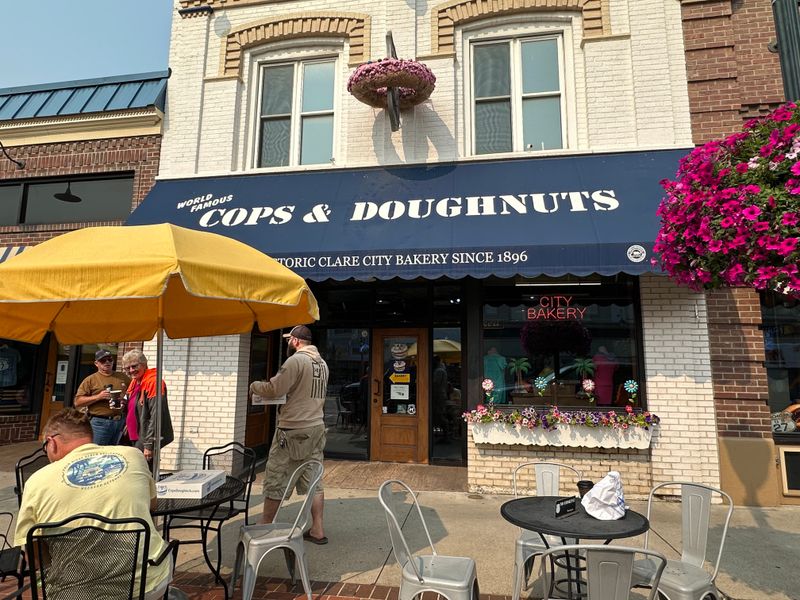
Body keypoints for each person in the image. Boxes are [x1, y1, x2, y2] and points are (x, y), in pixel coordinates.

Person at [14, 408, 172, 598]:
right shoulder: (133, 455)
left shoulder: (36, 481)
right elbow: (151, 505)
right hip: (145, 584)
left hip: (75, 592)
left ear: (51, 442)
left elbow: (33, 557)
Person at [250, 324, 329, 544]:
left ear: (295, 341)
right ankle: (318, 529)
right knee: (314, 478)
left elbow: (275, 389)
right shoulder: (322, 364)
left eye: (288, 340)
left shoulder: (295, 361)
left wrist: (255, 386)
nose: (287, 343)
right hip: (316, 426)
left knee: (277, 474)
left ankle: (265, 523)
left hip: (293, 429)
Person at [121, 349, 174, 463]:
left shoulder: (153, 382)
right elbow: (132, 405)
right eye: (127, 368)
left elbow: (156, 415)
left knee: (145, 473)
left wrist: (149, 444)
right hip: (133, 435)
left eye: (134, 366)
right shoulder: (135, 382)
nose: (131, 370)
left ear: (144, 364)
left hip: (145, 438)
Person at [74, 349, 130, 445]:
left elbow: (132, 394)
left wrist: (124, 400)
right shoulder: (90, 380)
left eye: (110, 359)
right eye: (103, 360)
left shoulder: (123, 377)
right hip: (99, 422)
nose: (107, 362)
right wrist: (98, 397)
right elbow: (78, 402)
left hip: (120, 422)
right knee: (98, 454)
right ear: (96, 363)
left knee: (114, 455)